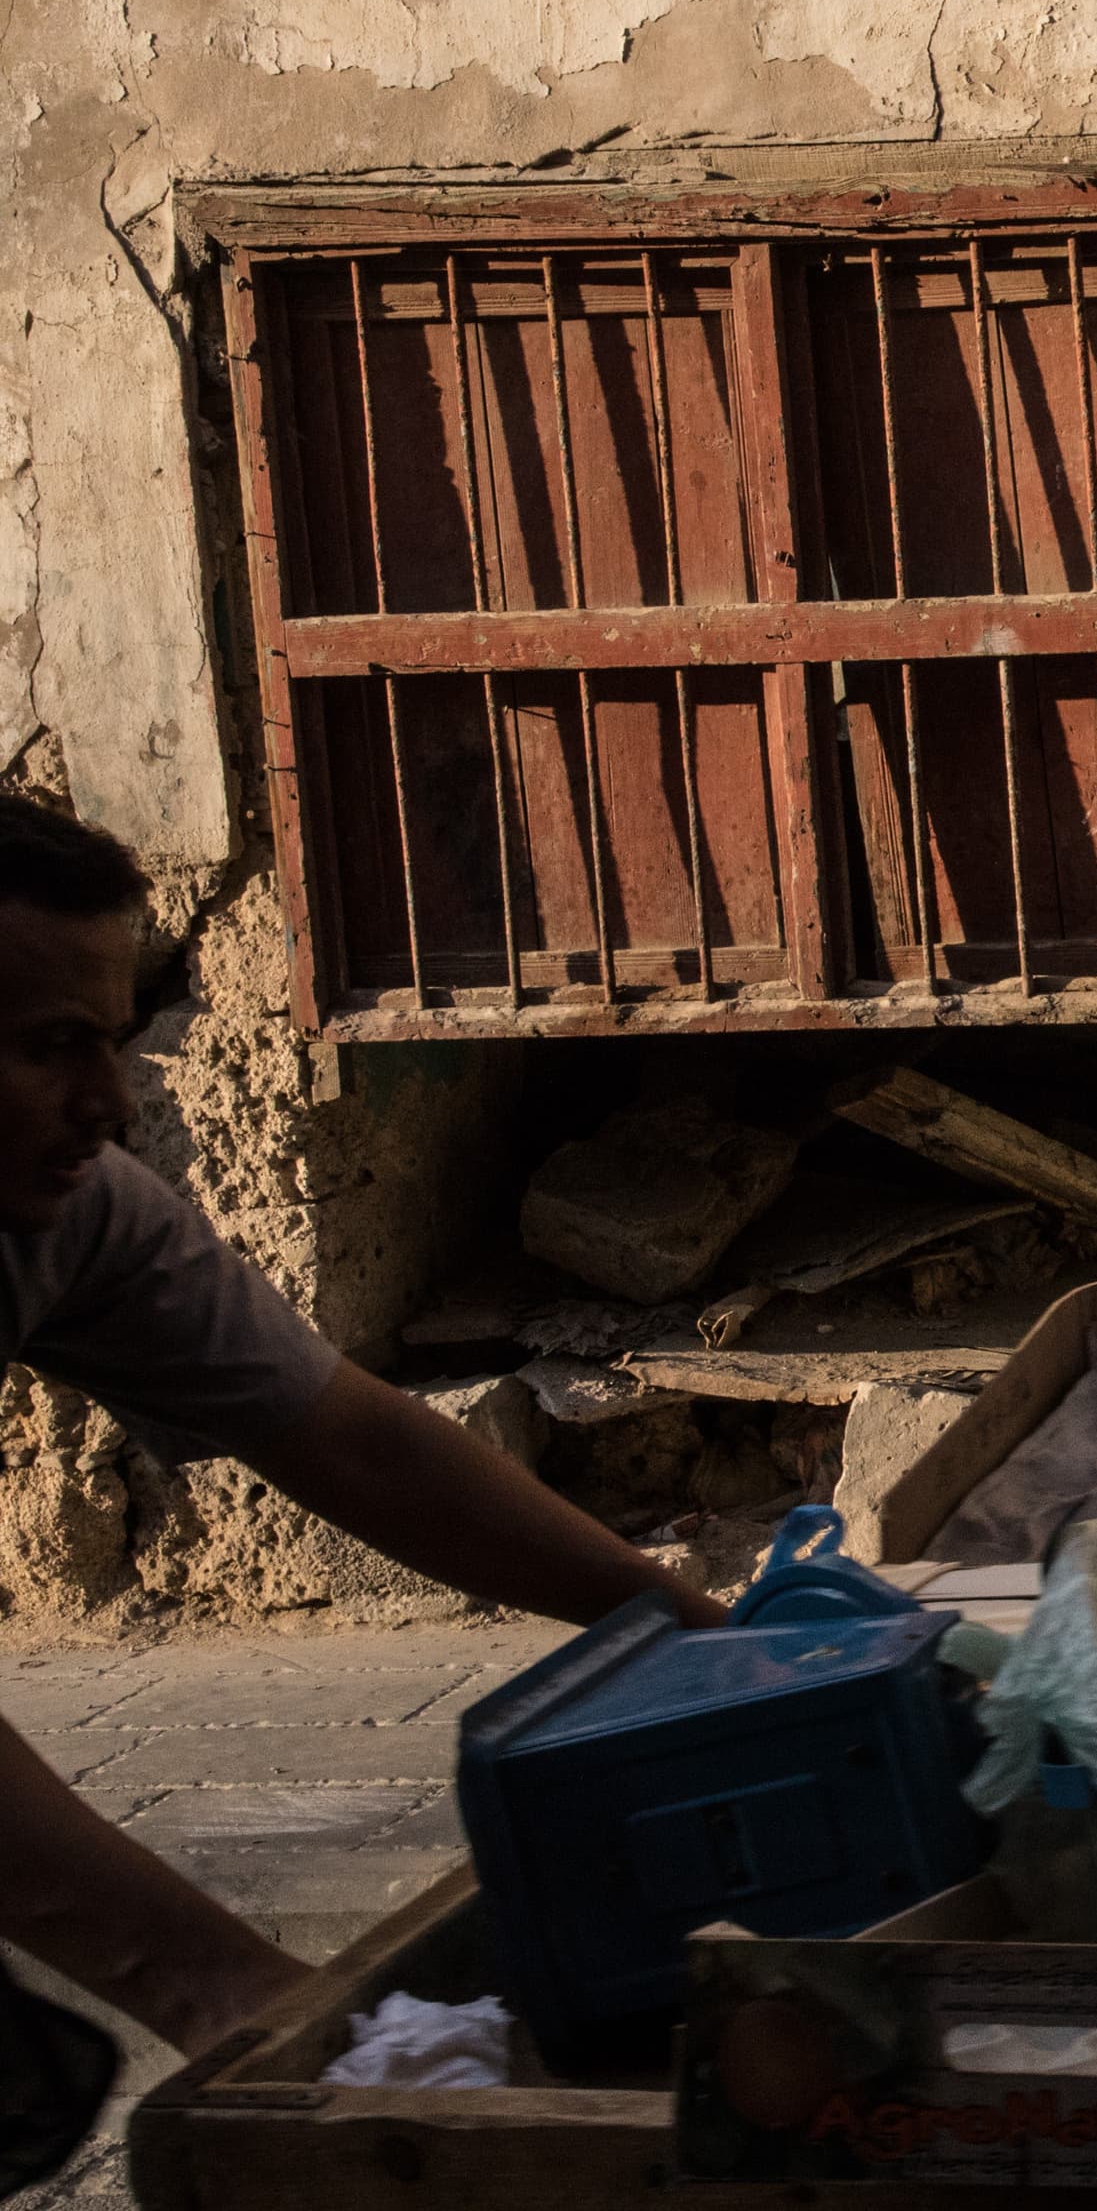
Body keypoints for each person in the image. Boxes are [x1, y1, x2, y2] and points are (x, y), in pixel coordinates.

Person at [0, 794, 721, 2085]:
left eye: (110, 1041)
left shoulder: (74, 1213)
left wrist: (700, 1642)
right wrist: (221, 1990)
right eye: (52, 1048)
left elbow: (349, 1439)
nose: (107, 1100)